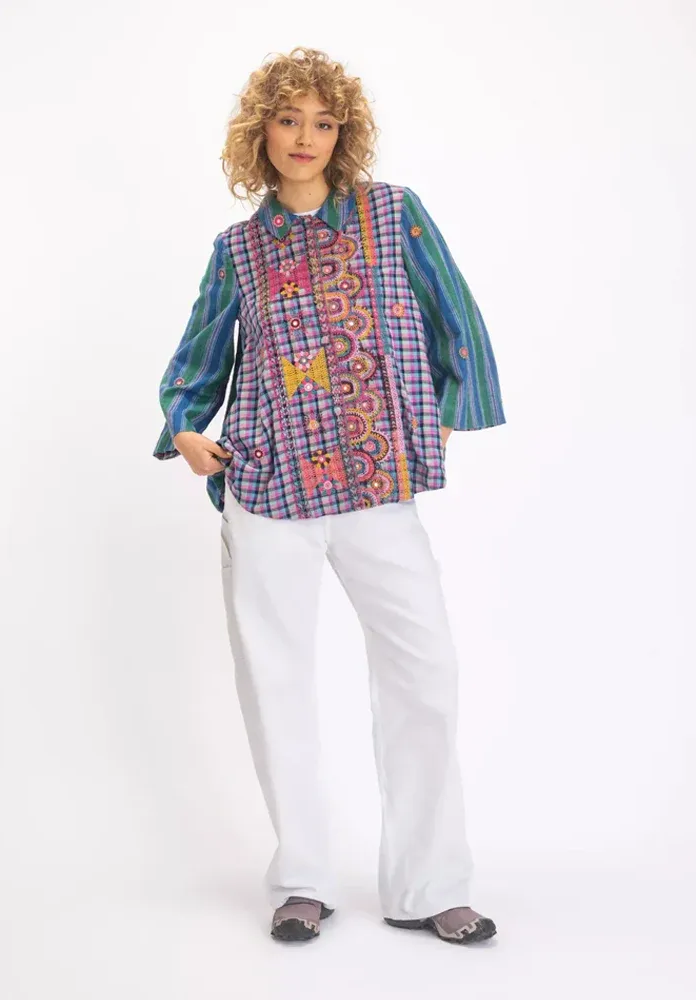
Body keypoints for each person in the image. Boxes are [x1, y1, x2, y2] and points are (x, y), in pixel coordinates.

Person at [153, 46, 506, 945]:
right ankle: (303, 880)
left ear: (342, 131)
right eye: (287, 119)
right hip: (268, 489)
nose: (305, 136)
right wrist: (187, 428)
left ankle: (430, 885)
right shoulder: (237, 250)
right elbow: (199, 358)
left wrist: (445, 414)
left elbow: (457, 319)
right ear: (261, 131)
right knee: (276, 682)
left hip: (376, 485)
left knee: (425, 671)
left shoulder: (394, 214)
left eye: (322, 121)